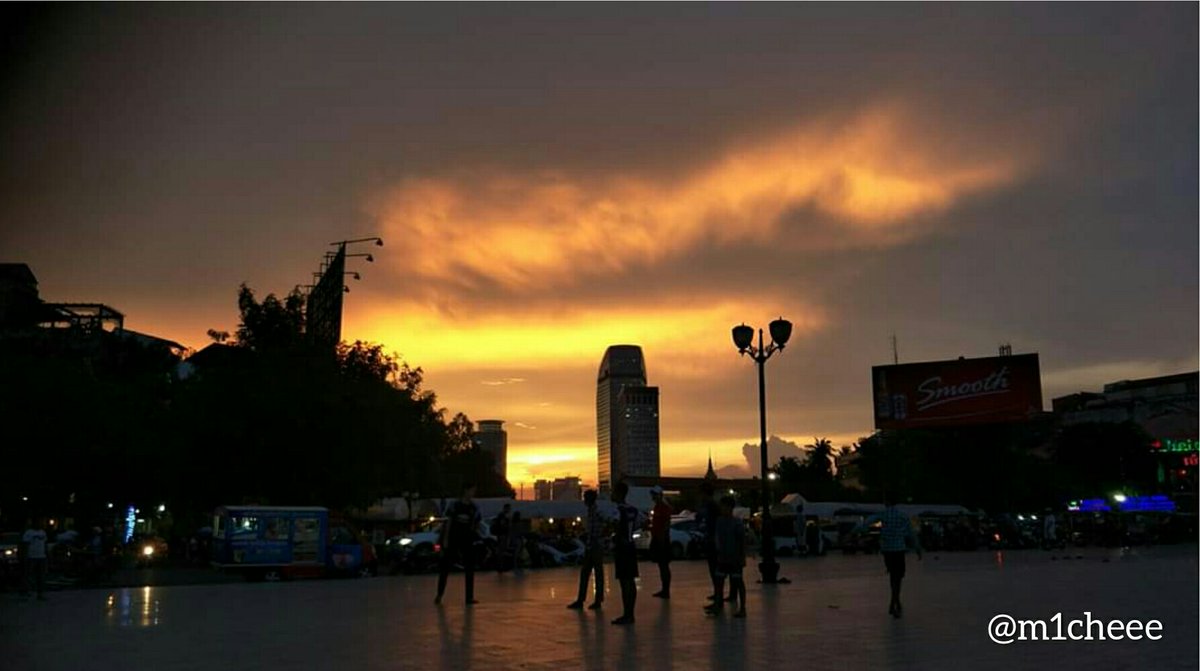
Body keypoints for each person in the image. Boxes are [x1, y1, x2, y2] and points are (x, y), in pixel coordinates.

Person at [861, 493, 922, 618]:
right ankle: (894, 602)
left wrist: (852, 533)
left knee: (892, 575)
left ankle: (895, 602)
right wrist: (917, 548)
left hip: (887, 550)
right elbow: (911, 533)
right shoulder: (902, 516)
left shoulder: (882, 514)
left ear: (886, 502)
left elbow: (866, 523)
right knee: (898, 577)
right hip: (899, 549)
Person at [435, 483, 482, 606]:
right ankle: (440, 594)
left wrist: (474, 534)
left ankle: (469, 597)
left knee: (469, 567)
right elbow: (448, 522)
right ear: (465, 491)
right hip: (453, 539)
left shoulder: (473, 507)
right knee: (445, 567)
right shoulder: (455, 505)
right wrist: (445, 539)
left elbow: (476, 522)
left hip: (467, 540)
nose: (473, 493)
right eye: (472, 490)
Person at [567, 490, 606, 610]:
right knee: (587, 573)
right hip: (591, 545)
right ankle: (583, 599)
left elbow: (601, 526)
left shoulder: (597, 511)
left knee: (595, 573)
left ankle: (593, 600)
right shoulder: (591, 511)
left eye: (585, 497)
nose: (583, 499)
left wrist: (595, 538)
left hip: (595, 545)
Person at [709, 496, 746, 617]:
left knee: (738, 582)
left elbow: (741, 540)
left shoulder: (737, 522)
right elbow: (717, 537)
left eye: (724, 506)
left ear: (730, 507)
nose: (722, 509)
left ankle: (743, 608)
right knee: (719, 581)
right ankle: (718, 605)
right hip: (723, 556)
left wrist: (741, 557)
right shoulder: (719, 521)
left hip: (734, 557)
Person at [610, 481, 640, 625]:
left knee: (624, 582)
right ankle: (631, 613)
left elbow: (614, 525)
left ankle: (627, 614)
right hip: (631, 546)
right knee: (631, 580)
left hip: (622, 547)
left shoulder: (617, 510)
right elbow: (640, 524)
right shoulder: (633, 510)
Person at [696, 481, 725, 608]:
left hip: (714, 541)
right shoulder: (708, 506)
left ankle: (719, 596)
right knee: (714, 570)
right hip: (710, 540)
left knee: (716, 570)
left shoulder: (712, 506)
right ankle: (717, 593)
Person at [649, 485, 673, 598]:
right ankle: (664, 589)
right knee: (661, 565)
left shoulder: (664, 508)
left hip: (662, 539)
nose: (653, 497)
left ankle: (666, 590)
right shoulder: (657, 507)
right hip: (657, 538)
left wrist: (662, 537)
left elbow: (666, 524)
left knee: (664, 565)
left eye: (655, 495)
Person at [22, 518, 48, 600]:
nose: (40, 524)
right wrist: (25, 556)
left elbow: (45, 544)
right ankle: (26, 592)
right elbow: (25, 545)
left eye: (40, 522)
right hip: (31, 557)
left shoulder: (43, 532)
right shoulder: (28, 533)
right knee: (29, 575)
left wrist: (47, 555)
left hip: (42, 557)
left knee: (41, 576)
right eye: (38, 522)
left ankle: (40, 594)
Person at [492, 503, 512, 572]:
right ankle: (500, 566)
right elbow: (503, 525)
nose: (509, 510)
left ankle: (501, 565)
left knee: (502, 550)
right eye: (509, 508)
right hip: (502, 535)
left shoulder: (503, 515)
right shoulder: (503, 516)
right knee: (501, 551)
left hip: (502, 534)